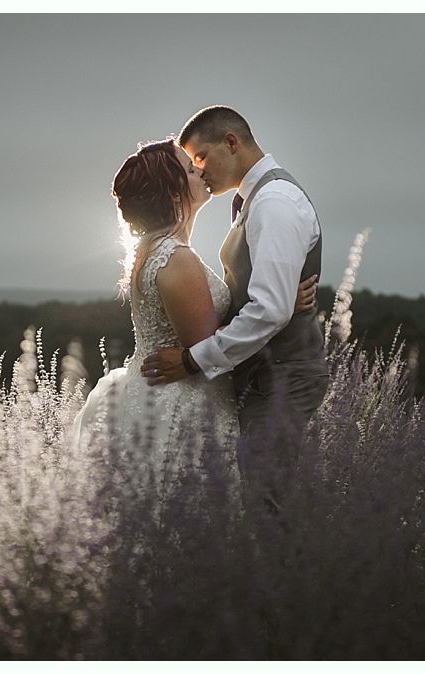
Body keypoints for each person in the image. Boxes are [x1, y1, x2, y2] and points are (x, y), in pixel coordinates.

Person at [69, 138, 317, 510]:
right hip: (181, 406)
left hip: (151, 394)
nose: (200, 170)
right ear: (173, 194)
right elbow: (205, 347)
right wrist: (278, 304)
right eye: (189, 169)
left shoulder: (153, 250)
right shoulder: (176, 258)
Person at [140, 106, 329, 526]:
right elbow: (270, 301)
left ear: (231, 142)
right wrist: (274, 304)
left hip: (281, 377)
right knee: (252, 503)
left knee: (263, 508)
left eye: (201, 157)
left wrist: (192, 360)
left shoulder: (275, 203)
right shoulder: (254, 199)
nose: (199, 170)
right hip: (260, 374)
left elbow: (270, 309)